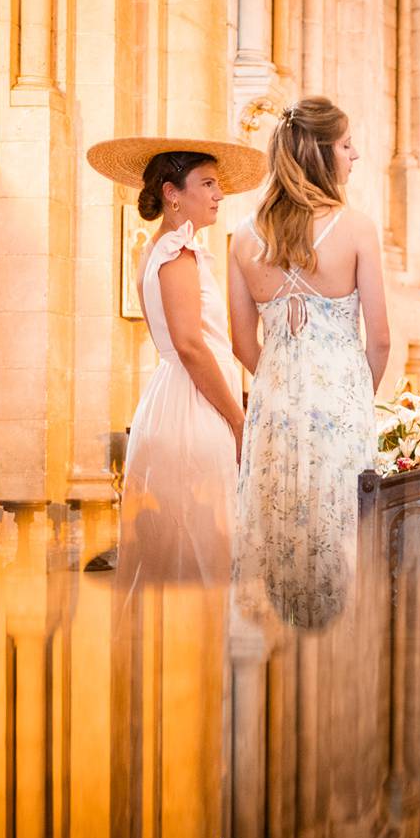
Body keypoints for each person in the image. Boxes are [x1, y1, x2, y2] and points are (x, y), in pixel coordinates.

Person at [229, 97, 390, 627]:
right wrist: (352, 393)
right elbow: (381, 339)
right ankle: (338, 663)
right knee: (338, 535)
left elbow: (241, 343)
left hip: (274, 405)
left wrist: (281, 376)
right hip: (342, 405)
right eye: (346, 145)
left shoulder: (242, 238)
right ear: (323, 153)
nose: (356, 155)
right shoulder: (357, 228)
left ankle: (277, 670)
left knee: (278, 530)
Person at [86, 136, 267, 588]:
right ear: (172, 193)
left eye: (218, 185)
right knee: (200, 547)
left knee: (179, 547)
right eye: (206, 184)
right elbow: (189, 346)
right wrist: (239, 420)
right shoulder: (176, 253)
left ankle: (176, 647)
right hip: (193, 408)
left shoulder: (160, 249)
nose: (218, 195)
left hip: (175, 401)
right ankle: (194, 647)